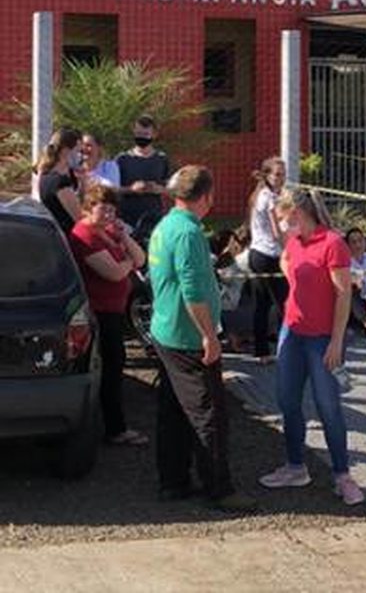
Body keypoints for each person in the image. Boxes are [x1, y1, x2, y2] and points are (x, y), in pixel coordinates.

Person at [148, 165, 253, 510]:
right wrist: (210, 335)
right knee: (209, 414)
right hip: (187, 336)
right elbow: (192, 289)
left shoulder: (166, 225)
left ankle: (173, 481)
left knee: (174, 411)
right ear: (206, 196)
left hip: (166, 330)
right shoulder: (189, 233)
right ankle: (219, 489)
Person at [258, 189, 364, 506]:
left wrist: (336, 340)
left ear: (297, 213)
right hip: (293, 330)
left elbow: (343, 295)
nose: (280, 226)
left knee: (328, 405)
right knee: (287, 400)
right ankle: (295, 466)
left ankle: (342, 475)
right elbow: (288, 264)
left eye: (282, 219)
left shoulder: (332, 244)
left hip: (321, 338)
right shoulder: (295, 243)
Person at [68, 183, 148, 446]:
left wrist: (123, 237)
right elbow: (113, 272)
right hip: (99, 313)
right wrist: (126, 263)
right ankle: (115, 428)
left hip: (115, 310)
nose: (108, 216)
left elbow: (141, 258)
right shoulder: (84, 235)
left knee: (115, 365)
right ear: (89, 208)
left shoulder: (108, 232)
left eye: (112, 210)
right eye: (103, 209)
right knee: (111, 369)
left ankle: (113, 424)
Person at [246, 157, 288, 362]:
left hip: (258, 254)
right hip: (268, 256)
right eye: (277, 174)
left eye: (283, 174)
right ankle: (285, 350)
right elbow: (277, 232)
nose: (281, 178)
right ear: (268, 176)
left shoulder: (264, 195)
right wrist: (291, 248)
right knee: (284, 304)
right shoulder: (268, 197)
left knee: (262, 304)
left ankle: (262, 351)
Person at [116, 115, 170, 244]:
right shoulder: (122, 159)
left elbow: (170, 188)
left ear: (154, 135)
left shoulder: (161, 159)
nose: (142, 137)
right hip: (127, 217)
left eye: (146, 134)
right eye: (139, 133)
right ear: (134, 132)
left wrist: (158, 189)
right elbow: (113, 189)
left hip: (154, 216)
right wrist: (131, 189)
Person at [35, 127, 82, 235]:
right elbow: (79, 218)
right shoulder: (59, 182)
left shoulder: (46, 175)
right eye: (77, 151)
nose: (80, 156)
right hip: (68, 236)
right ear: (66, 150)